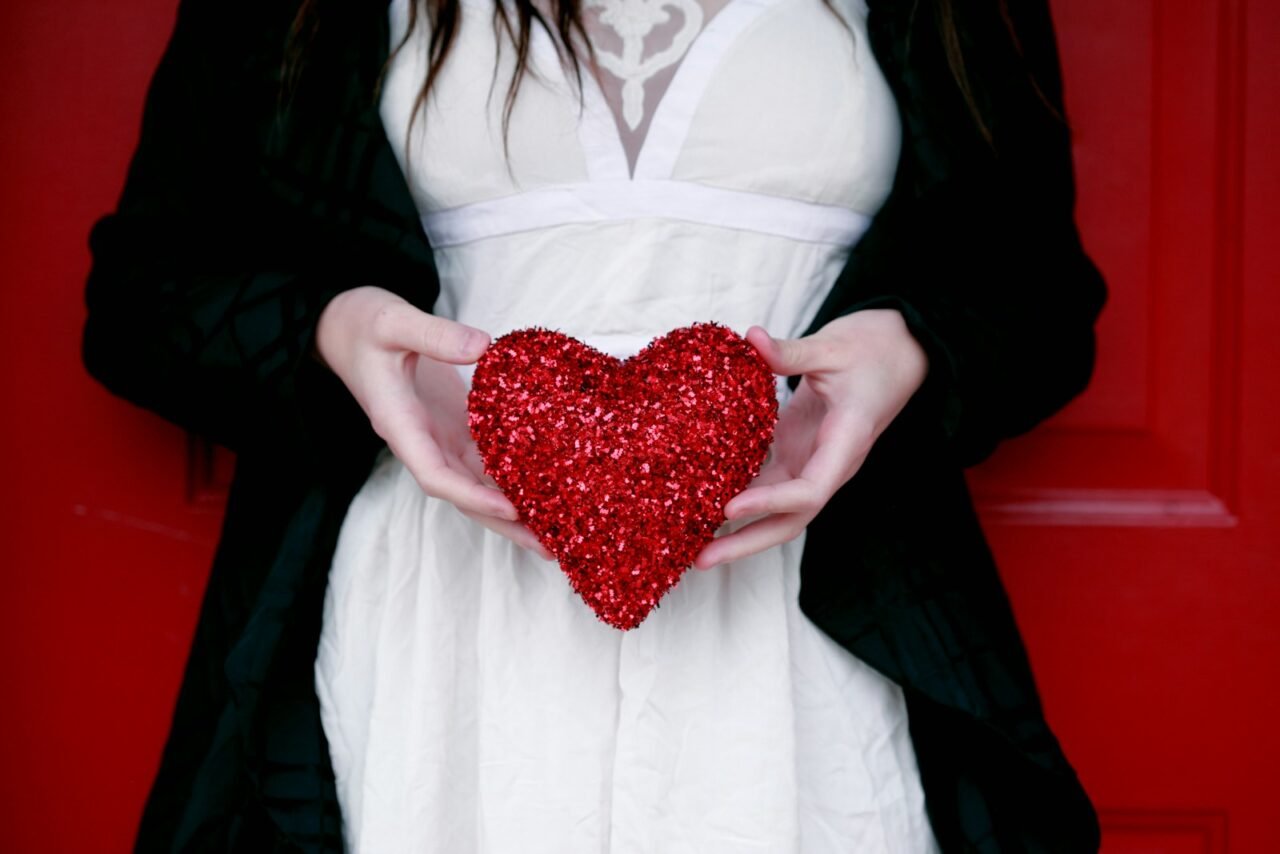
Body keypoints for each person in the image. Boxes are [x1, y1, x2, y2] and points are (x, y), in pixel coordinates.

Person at [82, 0, 1107, 850]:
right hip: (430, 616)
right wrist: (331, 334)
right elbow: (144, 298)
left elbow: (1038, 299)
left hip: (818, 614)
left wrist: (911, 349)